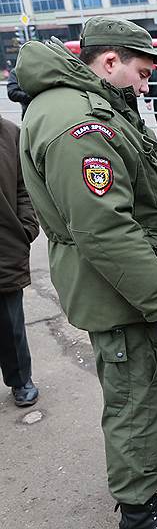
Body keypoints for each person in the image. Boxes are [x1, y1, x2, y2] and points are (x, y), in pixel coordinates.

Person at [16, 17, 157, 528]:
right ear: (108, 62)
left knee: (142, 380)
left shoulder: (88, 103)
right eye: (142, 74)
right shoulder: (79, 123)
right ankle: (139, 508)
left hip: (122, 283)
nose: (147, 86)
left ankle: (145, 453)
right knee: (132, 392)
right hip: (118, 286)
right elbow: (104, 229)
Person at [1, 115, 39, 408]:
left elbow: (24, 187)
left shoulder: (9, 133)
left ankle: (20, 380)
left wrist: (25, 227)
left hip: (5, 244)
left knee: (9, 323)